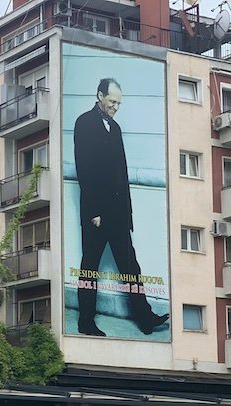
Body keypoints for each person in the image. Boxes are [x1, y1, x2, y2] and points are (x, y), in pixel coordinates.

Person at [73, 77, 169, 337]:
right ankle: (86, 322)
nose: (116, 107)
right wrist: (94, 212)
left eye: (119, 103)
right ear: (100, 95)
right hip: (97, 214)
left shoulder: (114, 128)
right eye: (112, 101)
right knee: (89, 267)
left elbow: (121, 173)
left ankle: (145, 318)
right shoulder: (83, 123)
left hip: (117, 214)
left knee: (131, 268)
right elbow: (85, 169)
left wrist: (127, 215)